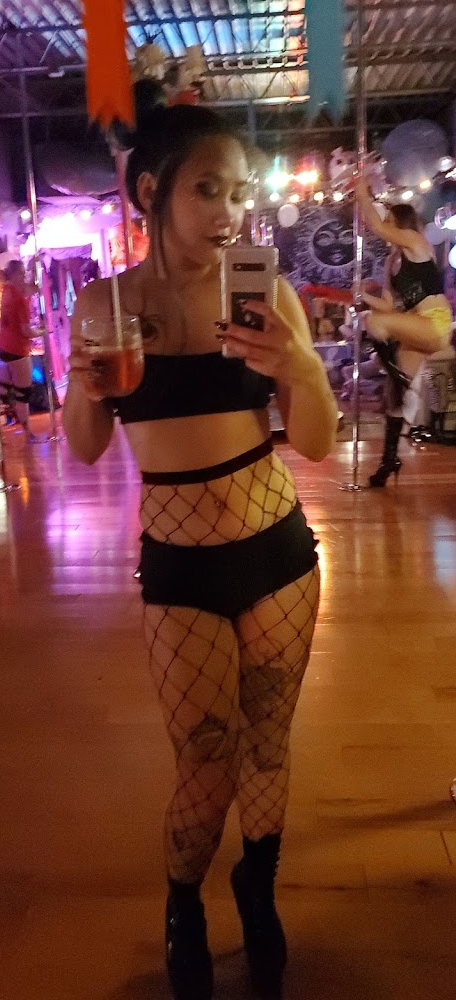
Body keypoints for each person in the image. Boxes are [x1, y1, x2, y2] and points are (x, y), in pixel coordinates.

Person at [63, 104, 338, 1000]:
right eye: (207, 190)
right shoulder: (105, 306)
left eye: (239, 192)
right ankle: (183, 904)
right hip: (178, 564)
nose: (229, 211)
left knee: (267, 743)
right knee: (202, 757)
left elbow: (316, 442)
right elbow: (86, 449)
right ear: (152, 190)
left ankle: (256, 890)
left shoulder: (265, 293)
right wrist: (81, 387)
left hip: (276, 549)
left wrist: (301, 367)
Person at [356, 179, 452, 486]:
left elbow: (376, 226)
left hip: (434, 321)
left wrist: (362, 194)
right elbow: (388, 304)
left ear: (399, 223)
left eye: (388, 221)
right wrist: (362, 295)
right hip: (415, 327)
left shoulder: (415, 241)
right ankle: (389, 461)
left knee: (375, 323)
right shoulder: (392, 261)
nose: (384, 226)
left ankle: (398, 377)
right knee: (393, 397)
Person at [0, 259, 45, 442]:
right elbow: (26, 331)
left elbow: (31, 289)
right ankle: (28, 433)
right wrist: (41, 331)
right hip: (17, 350)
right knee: (22, 394)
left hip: (1, 347)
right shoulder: (19, 300)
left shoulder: (6, 291)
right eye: (22, 273)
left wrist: (34, 275)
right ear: (15, 275)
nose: (24, 277)